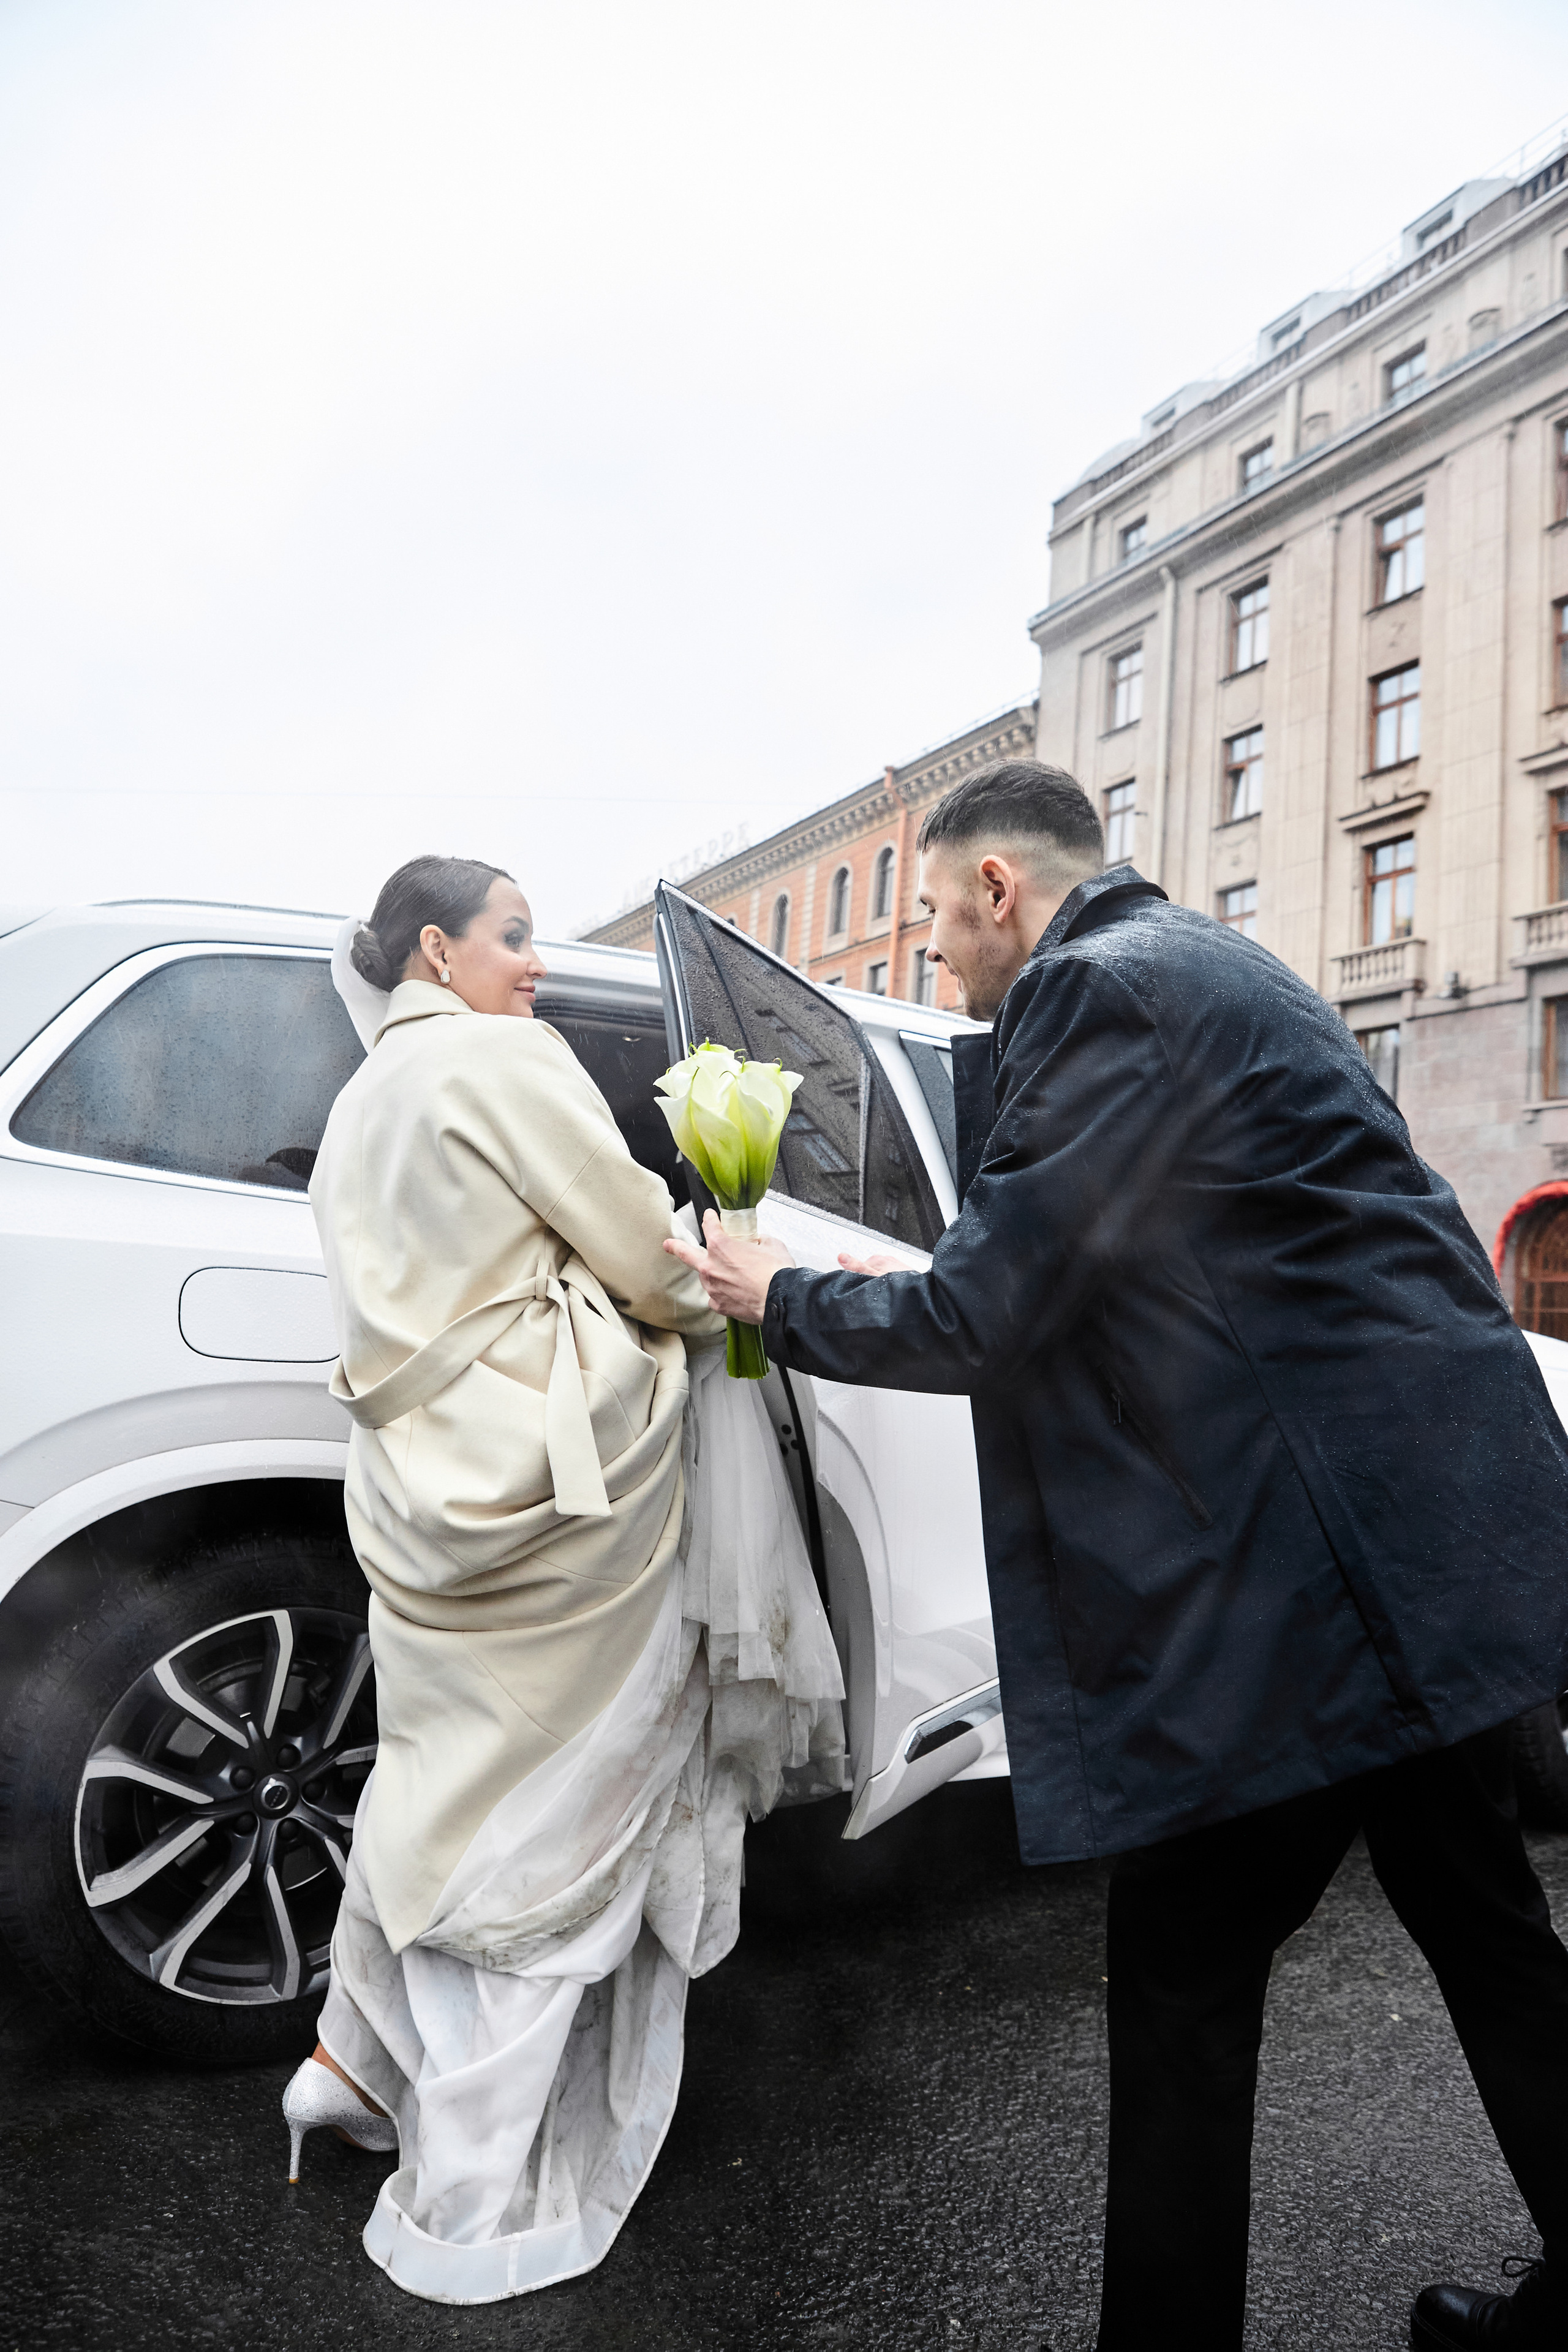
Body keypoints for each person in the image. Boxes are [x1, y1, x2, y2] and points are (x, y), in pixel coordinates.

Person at [665, 760, 1568, 2352]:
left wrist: (771, 1296)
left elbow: (985, 1307)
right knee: (1495, 1941)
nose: (942, 961)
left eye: (941, 927)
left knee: (1183, 1998)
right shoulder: (1225, 972)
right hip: (1431, 1559)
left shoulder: (1101, 997)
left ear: (1002, 890)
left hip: (1320, 1595)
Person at [290, 853, 845, 2303]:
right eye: (516, 936)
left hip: (417, 1495)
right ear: (435, 948)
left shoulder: (361, 1099)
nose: (534, 964)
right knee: (558, 1822)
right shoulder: (498, 1058)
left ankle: (348, 2065)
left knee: (436, 1783)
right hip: (553, 1507)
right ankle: (469, 2199)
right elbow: (638, 1255)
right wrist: (731, 1254)